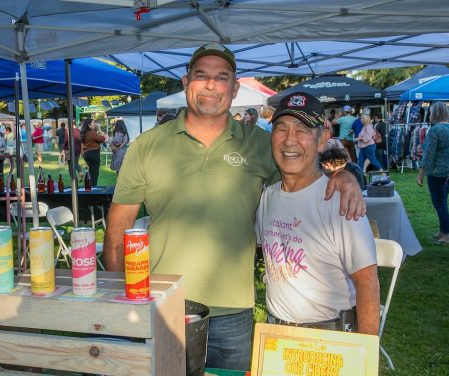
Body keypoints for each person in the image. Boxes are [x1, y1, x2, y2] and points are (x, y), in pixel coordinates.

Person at [103, 43, 365, 371]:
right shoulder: (147, 146)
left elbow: (302, 173)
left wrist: (342, 177)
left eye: (221, 77)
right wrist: (118, 301)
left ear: (234, 88)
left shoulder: (259, 144)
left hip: (233, 312)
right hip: (161, 306)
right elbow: (118, 224)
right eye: (202, 75)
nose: (211, 85)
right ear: (185, 83)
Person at [255, 91, 379, 335]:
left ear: (322, 139)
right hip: (276, 333)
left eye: (302, 130)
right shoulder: (267, 197)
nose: (290, 140)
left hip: (327, 336)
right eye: (281, 128)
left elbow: (367, 282)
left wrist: (366, 356)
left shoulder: (339, 200)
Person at [417, 102, 449, 245]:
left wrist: (421, 173)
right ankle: (443, 231)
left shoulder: (435, 130)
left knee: (440, 203)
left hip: (438, 171)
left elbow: (429, 154)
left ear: (434, 113)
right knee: (443, 202)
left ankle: (447, 234)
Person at [80, 118, 108, 186]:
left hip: (86, 154)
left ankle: (88, 187)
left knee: (91, 172)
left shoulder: (85, 132)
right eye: (93, 123)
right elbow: (104, 139)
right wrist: (99, 128)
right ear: (89, 125)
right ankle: (93, 190)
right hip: (93, 154)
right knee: (94, 174)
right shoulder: (92, 133)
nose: (94, 124)